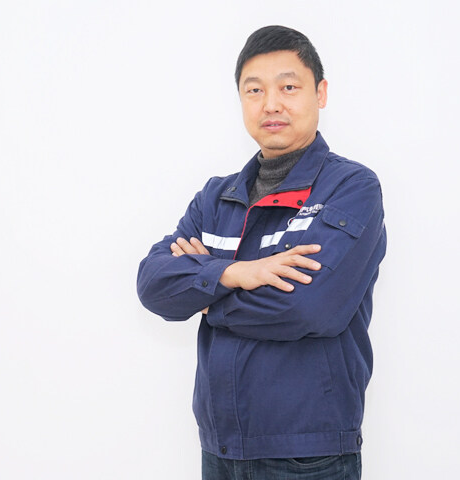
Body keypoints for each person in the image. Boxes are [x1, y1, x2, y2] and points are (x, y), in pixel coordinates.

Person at [137, 25, 386, 480]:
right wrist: (235, 274)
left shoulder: (351, 188)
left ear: (320, 93)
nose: (271, 104)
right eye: (255, 90)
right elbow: (153, 284)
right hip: (220, 449)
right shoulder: (216, 198)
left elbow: (308, 307)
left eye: (288, 87)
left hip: (307, 456)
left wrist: (205, 297)